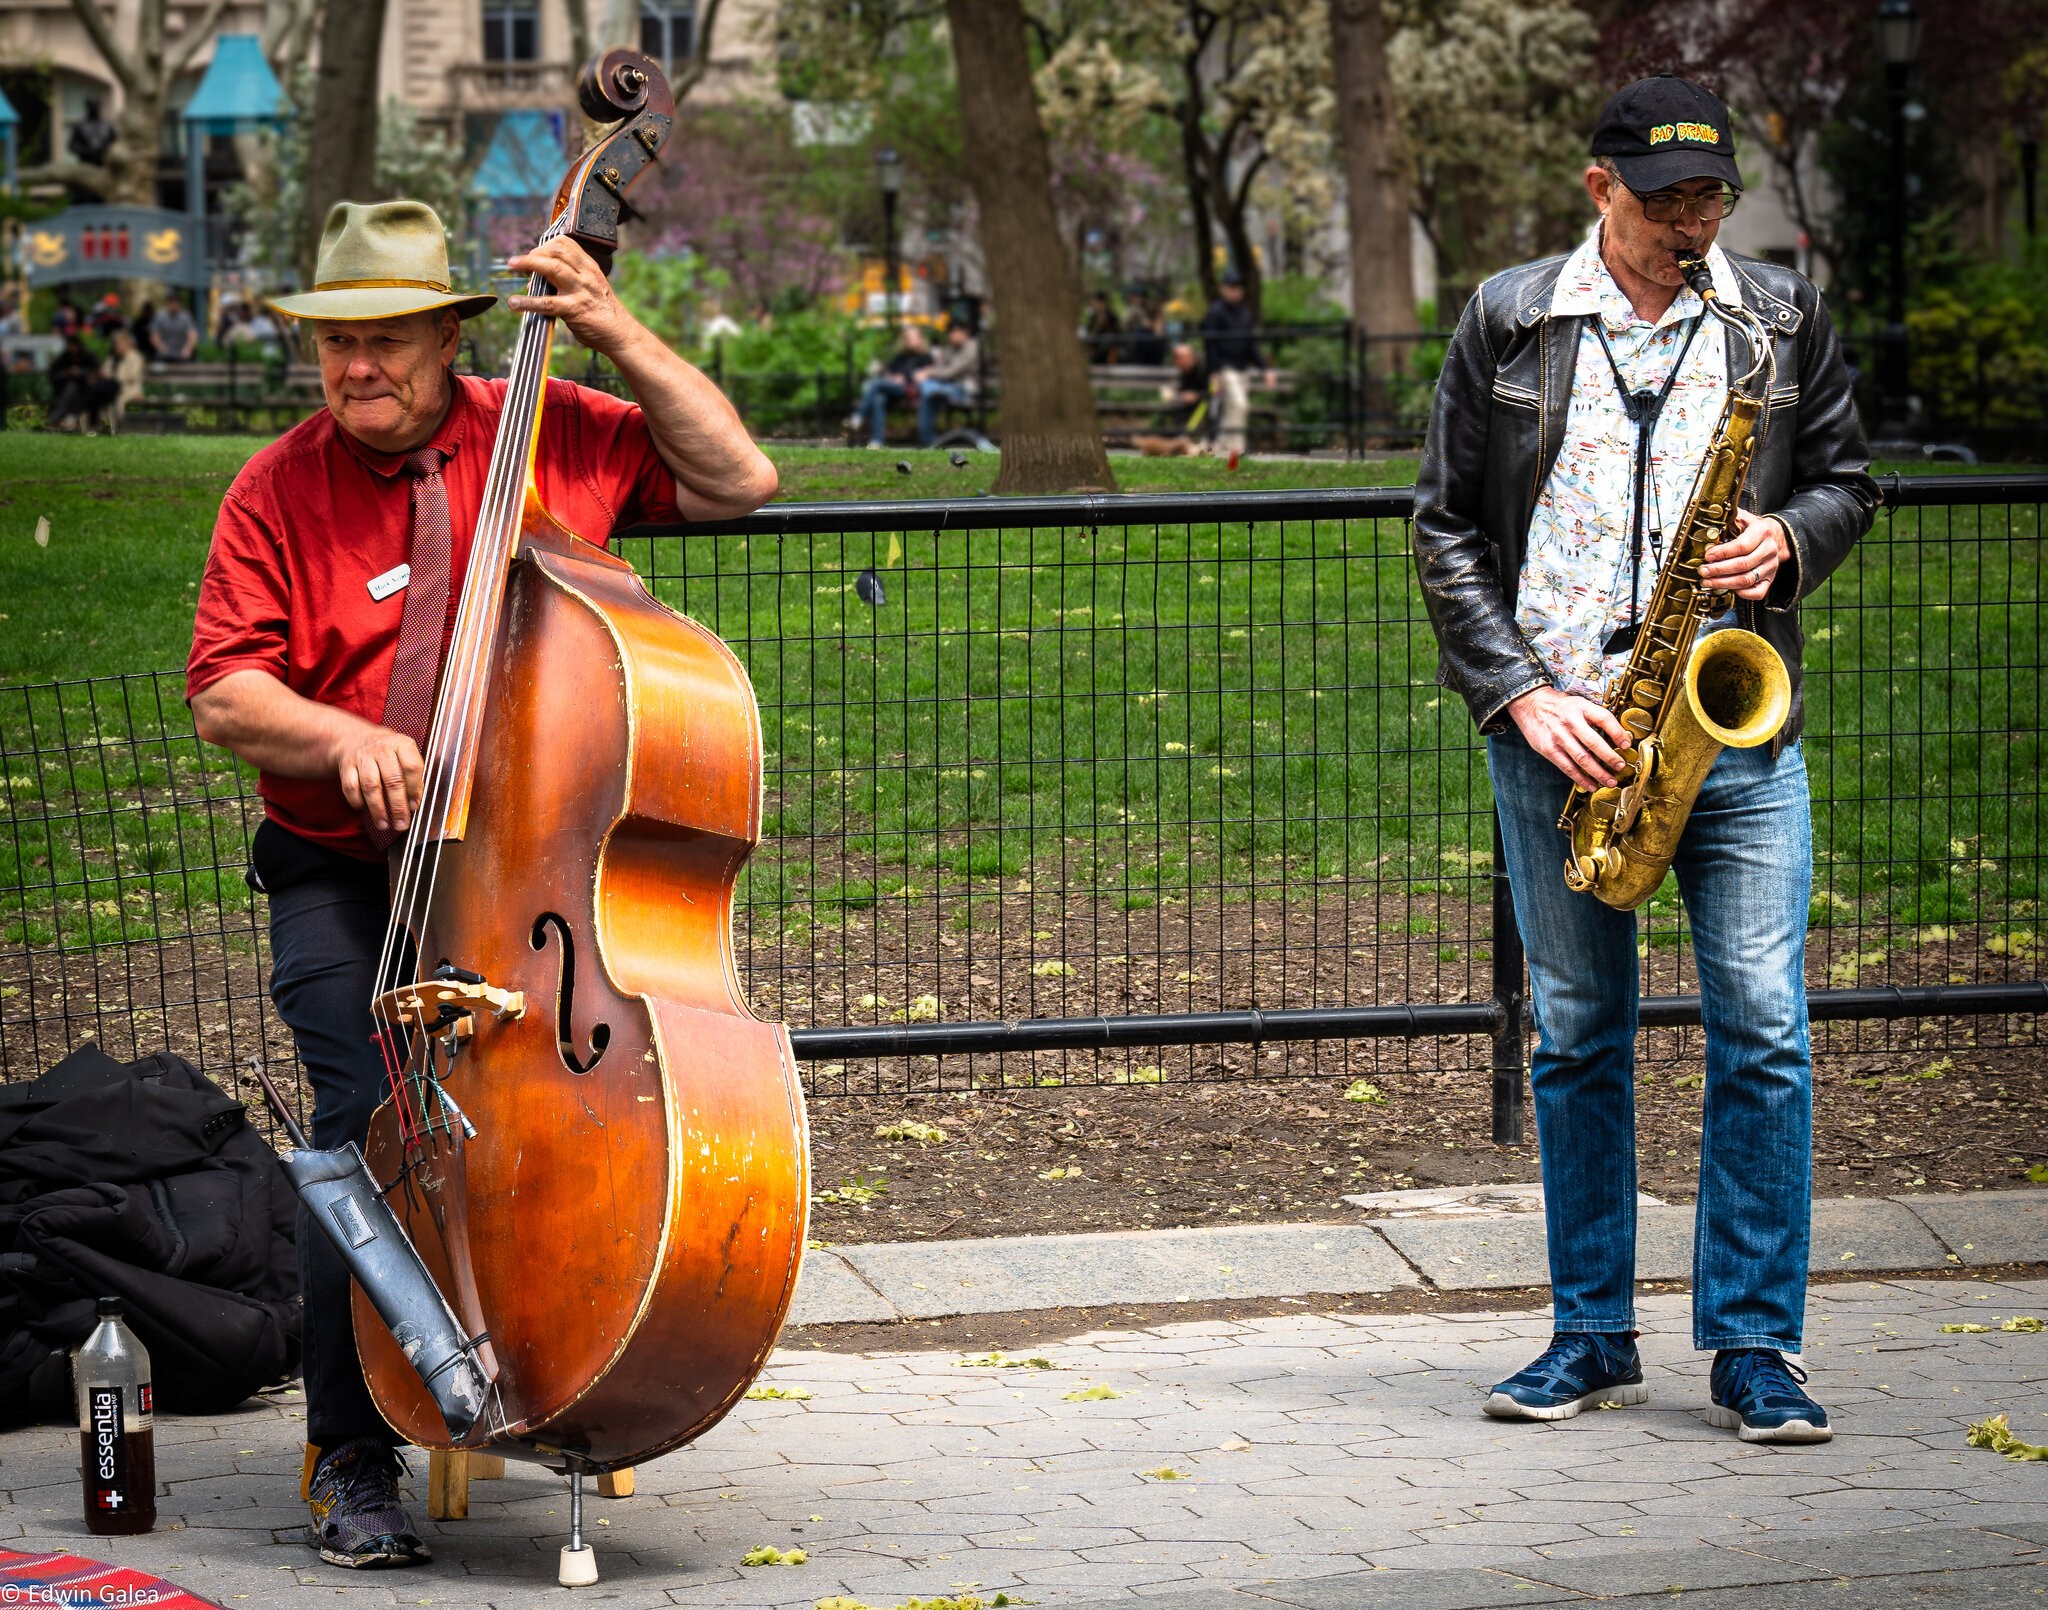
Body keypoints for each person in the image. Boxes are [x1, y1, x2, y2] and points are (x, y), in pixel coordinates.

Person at [185, 199, 775, 1569]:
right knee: (366, 1116)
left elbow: (739, 478)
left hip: (536, 879)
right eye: (335, 347)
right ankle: (351, 1449)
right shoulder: (275, 486)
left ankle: (562, 1350)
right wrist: (343, 737)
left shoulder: (552, 427)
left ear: (454, 334)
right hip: (343, 871)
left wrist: (615, 329)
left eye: (386, 340)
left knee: (564, 1116)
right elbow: (226, 690)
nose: (356, 371)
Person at [1412, 77, 1876, 1443]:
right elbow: (1441, 528)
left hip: (1728, 720)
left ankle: (1754, 1344)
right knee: (1576, 1037)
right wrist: (1518, 696)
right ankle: (1590, 1334)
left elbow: (1850, 477)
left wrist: (1791, 538)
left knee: (1765, 1032)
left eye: (1713, 198)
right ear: (1599, 186)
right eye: (1669, 199)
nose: (1697, 224)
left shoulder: (1776, 317)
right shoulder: (1510, 315)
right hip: (1567, 729)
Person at [1198, 270, 1273, 457]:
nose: (1235, 292)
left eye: (1238, 288)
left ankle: (1217, 447)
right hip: (1225, 368)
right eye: (1231, 288)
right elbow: (1211, 345)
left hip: (1242, 369)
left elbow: (1251, 344)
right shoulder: (1216, 312)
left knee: (1232, 411)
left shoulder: (1245, 312)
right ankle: (1236, 449)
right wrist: (1213, 372)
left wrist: (1265, 369)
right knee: (1240, 405)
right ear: (1224, 289)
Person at [852, 324, 930, 448]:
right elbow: (889, 371)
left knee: (876, 383)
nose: (911, 341)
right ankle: (877, 441)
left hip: (909, 391)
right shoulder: (901, 357)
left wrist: (904, 378)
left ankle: (859, 415)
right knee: (878, 398)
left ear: (920, 339)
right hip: (892, 391)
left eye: (913, 338)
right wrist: (892, 377)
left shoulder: (925, 357)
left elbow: (921, 376)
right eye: (908, 338)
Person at [914, 321, 979, 445]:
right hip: (946, 386)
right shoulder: (951, 347)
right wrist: (929, 373)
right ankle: (928, 440)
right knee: (928, 394)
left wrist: (928, 372)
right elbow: (940, 367)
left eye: (955, 332)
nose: (952, 335)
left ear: (965, 332)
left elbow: (951, 372)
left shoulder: (972, 348)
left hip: (965, 389)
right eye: (950, 332)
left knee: (927, 388)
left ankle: (928, 439)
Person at [45, 334, 105, 430]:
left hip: (85, 391)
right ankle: (60, 418)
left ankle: (56, 418)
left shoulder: (88, 356)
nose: (71, 348)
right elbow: (53, 374)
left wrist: (80, 373)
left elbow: (96, 372)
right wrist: (66, 373)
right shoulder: (64, 358)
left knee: (71, 389)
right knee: (70, 388)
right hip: (65, 391)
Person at [151, 294, 198, 362]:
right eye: (171, 302)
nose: (173, 304)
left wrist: (187, 348)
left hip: (182, 353)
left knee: (190, 359)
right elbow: (154, 336)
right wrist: (161, 346)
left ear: (179, 303)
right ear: (167, 303)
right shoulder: (159, 317)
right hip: (164, 354)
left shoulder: (186, 317)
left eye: (175, 302)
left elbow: (192, 335)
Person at [1084, 289, 1122, 363]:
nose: (1093, 305)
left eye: (1095, 302)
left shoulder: (1112, 316)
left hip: (1109, 350)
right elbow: (1089, 332)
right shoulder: (1093, 317)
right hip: (1095, 349)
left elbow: (1117, 332)